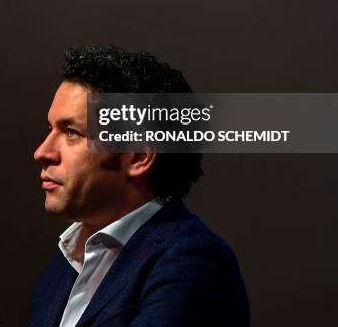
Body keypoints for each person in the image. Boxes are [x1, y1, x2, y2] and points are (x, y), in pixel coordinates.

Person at [29, 45, 249, 327]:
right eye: (51, 130)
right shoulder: (64, 264)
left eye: (72, 132)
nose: (42, 152)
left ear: (138, 156)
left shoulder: (193, 262)